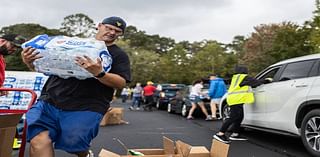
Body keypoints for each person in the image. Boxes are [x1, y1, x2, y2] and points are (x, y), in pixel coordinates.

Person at [21, 16, 131, 157]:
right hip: (50, 100)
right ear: (99, 26)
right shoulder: (74, 44)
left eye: (117, 31)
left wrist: (99, 73)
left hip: (87, 105)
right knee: (39, 140)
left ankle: (85, 154)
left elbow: (121, 82)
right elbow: (45, 67)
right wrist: (29, 62)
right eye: (109, 28)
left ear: (120, 35)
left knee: (75, 145)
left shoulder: (119, 55)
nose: (112, 32)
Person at [213, 65, 271, 144]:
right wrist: (267, 80)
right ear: (245, 71)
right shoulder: (244, 77)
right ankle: (220, 134)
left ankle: (235, 134)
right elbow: (257, 83)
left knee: (239, 117)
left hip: (234, 99)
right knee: (233, 117)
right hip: (236, 99)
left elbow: (251, 84)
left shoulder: (236, 77)